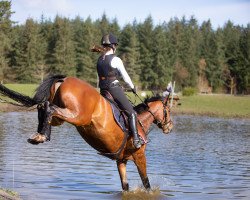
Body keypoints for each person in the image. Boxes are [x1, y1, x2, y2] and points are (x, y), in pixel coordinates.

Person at [92, 33, 142, 149]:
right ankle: (136, 139)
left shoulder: (100, 59)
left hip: (103, 90)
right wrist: (132, 86)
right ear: (113, 46)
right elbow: (125, 76)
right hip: (113, 89)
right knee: (132, 113)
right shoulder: (116, 59)